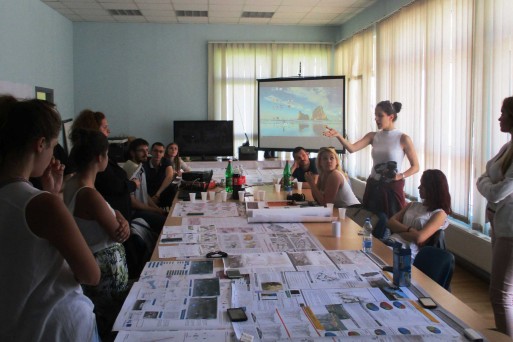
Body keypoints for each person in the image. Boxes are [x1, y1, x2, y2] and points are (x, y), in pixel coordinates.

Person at [0, 95, 100, 341]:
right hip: (58, 328)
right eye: (55, 146)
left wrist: (53, 193)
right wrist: (53, 199)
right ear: (40, 144)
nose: (54, 155)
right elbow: (91, 274)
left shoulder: (30, 199)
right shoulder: (43, 205)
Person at [64, 128, 131, 339]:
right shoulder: (88, 193)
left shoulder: (72, 182)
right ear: (99, 157)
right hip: (105, 276)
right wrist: (123, 223)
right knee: (112, 325)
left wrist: (119, 215)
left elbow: (110, 210)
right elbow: (118, 234)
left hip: (94, 267)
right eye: (107, 154)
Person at [324, 100, 419, 217]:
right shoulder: (373, 136)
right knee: (370, 220)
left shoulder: (403, 138)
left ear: (391, 117)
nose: (376, 119)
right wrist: (338, 135)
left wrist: (400, 176)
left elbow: (416, 166)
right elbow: (352, 148)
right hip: (373, 185)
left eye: (380, 115)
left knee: (391, 221)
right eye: (375, 115)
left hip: (392, 188)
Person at [476, 96, 513, 337]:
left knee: (499, 294)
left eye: (503, 114)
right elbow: (482, 177)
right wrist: (488, 182)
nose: (499, 118)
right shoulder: (508, 147)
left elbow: (498, 192)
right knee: (504, 293)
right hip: (498, 224)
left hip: (510, 229)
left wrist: (488, 183)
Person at [384, 169, 451, 260]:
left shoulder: (439, 214)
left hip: (406, 252)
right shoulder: (412, 204)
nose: (419, 187)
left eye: (423, 185)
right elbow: (390, 222)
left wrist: (399, 231)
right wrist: (410, 230)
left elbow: (419, 238)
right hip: (390, 242)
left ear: (432, 189)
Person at [124, 138, 166, 234]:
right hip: (135, 213)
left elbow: (144, 193)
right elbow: (132, 202)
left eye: (146, 150)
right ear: (132, 153)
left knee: (164, 215)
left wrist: (157, 208)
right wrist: (154, 210)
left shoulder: (140, 166)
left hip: (143, 209)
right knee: (165, 222)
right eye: (141, 151)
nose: (146, 153)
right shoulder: (132, 168)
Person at [144, 142, 176, 207]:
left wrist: (157, 194)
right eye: (155, 151)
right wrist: (152, 198)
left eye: (161, 152)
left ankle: (170, 211)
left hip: (161, 191)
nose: (158, 154)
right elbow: (142, 187)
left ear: (163, 154)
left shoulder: (166, 161)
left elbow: (169, 176)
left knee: (173, 188)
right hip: (149, 193)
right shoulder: (144, 163)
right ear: (150, 152)